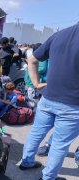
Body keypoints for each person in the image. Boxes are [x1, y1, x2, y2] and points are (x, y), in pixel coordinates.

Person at [19, 23, 79, 180]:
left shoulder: (59, 35)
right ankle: (48, 178)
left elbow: (31, 60)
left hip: (48, 98)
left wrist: (37, 84)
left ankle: (26, 162)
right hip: (73, 104)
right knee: (59, 145)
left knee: (36, 132)